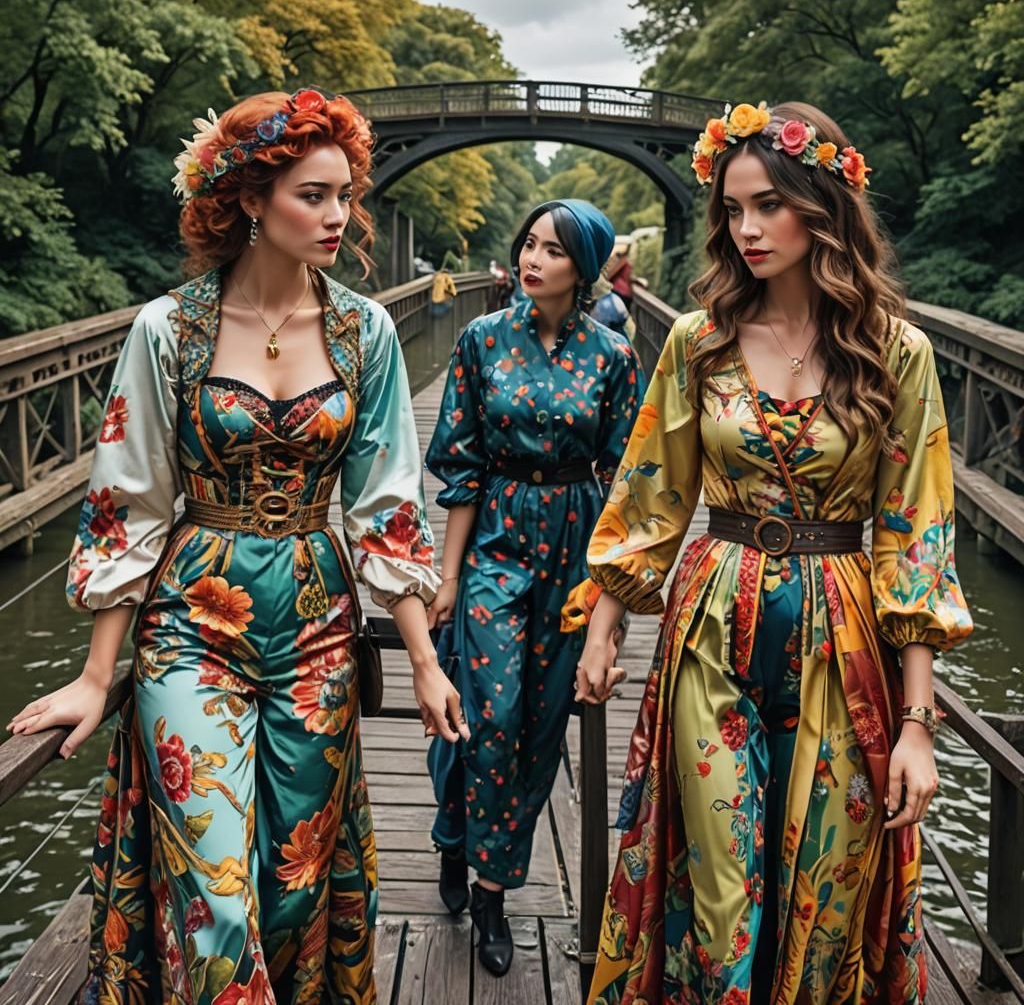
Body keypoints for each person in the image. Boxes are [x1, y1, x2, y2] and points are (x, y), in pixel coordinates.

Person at [7, 86, 468, 1004]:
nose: (338, 216)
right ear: (251, 200)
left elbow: (385, 505)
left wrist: (422, 657)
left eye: (346, 195)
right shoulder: (167, 330)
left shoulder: (365, 331)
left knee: (293, 883)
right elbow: (126, 501)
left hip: (318, 622)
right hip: (189, 619)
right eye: (313, 195)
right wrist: (99, 678)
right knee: (216, 889)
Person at [563, 102, 973, 1004]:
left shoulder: (894, 353)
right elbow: (650, 493)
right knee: (720, 895)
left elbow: (916, 534)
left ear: (821, 205)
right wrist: (603, 626)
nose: (746, 229)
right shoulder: (695, 341)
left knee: (824, 891)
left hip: (844, 630)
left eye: (768, 207)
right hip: (714, 621)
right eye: (733, 210)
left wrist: (917, 727)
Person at [424, 199, 645, 976]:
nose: (533, 258)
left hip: (576, 543)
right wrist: (447, 577)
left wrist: (609, 613)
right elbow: (458, 463)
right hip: (496, 534)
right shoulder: (481, 340)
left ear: (583, 268)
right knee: (491, 710)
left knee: (543, 722)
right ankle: (463, 851)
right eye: (528, 244)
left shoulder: (614, 356)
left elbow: (626, 481)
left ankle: (492, 882)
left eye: (553, 249)